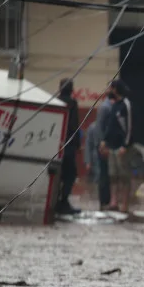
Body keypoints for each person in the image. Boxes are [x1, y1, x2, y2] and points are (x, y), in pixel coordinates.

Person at [100, 79, 134, 213]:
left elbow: (130, 127)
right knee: (113, 176)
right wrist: (104, 141)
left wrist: (125, 145)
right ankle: (114, 202)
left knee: (124, 176)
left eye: (109, 88)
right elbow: (110, 126)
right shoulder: (114, 105)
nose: (107, 91)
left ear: (115, 89)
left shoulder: (126, 104)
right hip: (112, 147)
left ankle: (124, 204)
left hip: (122, 148)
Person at [84, 85, 115, 210]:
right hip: (98, 154)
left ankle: (104, 201)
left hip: (100, 153)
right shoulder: (94, 127)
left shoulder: (106, 109)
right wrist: (88, 161)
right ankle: (103, 201)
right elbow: (88, 144)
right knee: (102, 177)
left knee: (104, 176)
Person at [56, 78, 81, 215]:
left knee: (57, 174)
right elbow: (73, 125)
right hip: (69, 145)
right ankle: (63, 202)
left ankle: (55, 200)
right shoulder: (72, 104)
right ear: (72, 90)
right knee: (70, 175)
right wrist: (77, 145)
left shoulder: (55, 102)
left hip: (55, 144)